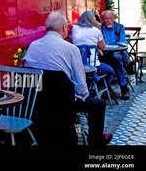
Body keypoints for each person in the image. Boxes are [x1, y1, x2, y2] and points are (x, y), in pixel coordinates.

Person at [23, 11, 112, 147]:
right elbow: (80, 84)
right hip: (63, 104)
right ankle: (96, 141)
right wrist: (85, 97)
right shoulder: (70, 49)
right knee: (98, 104)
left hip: (38, 104)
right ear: (64, 27)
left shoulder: (33, 46)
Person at [71, 11, 115, 87]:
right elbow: (102, 46)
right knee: (110, 71)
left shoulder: (75, 29)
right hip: (93, 66)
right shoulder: (96, 31)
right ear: (92, 20)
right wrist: (99, 29)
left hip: (77, 65)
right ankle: (99, 93)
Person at [99, 10, 130, 100]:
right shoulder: (99, 28)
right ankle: (124, 87)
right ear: (103, 20)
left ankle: (123, 87)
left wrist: (116, 50)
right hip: (104, 55)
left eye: (110, 18)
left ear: (114, 19)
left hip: (118, 54)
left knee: (115, 58)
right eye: (106, 18)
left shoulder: (119, 28)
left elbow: (122, 43)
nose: (108, 21)